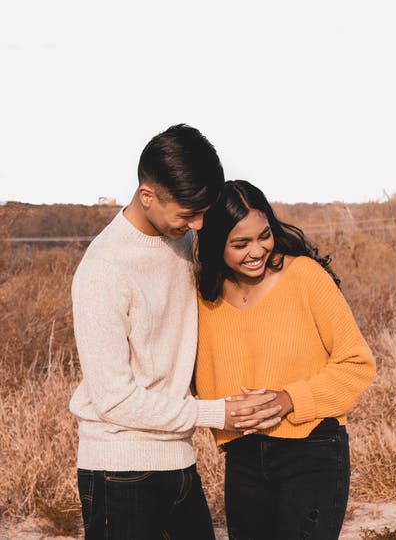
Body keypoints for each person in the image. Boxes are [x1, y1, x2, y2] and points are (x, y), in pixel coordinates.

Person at [69, 127, 281, 540]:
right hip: (119, 471)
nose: (198, 224)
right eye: (188, 213)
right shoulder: (103, 271)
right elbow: (114, 399)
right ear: (147, 195)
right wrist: (217, 413)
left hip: (178, 461)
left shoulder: (181, 239)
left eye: (203, 212)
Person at [194, 179, 377, 540]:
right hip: (242, 457)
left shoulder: (305, 277)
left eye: (264, 236)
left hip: (312, 451)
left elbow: (357, 364)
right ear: (215, 245)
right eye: (240, 244)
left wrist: (290, 399)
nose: (257, 250)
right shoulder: (204, 296)